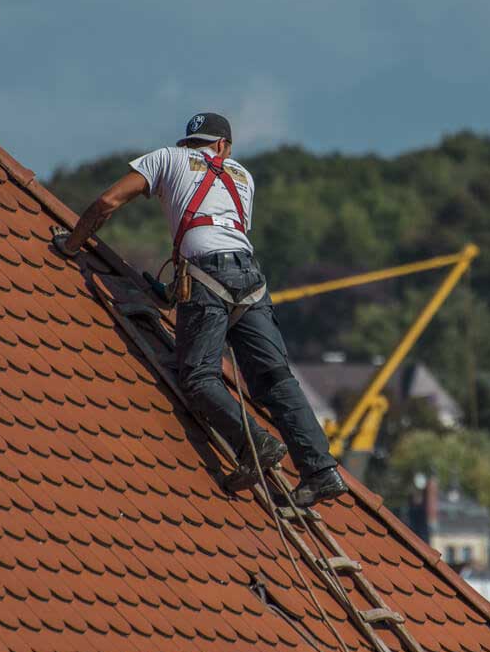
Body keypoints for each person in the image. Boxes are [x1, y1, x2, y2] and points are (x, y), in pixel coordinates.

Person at [53, 112, 349, 507]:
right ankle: (321, 470)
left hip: (206, 273)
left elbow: (108, 201)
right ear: (223, 146)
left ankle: (254, 444)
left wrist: (71, 244)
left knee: (197, 376)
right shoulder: (244, 177)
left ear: (197, 143)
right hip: (251, 280)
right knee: (276, 379)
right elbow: (223, 232)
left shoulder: (167, 158)